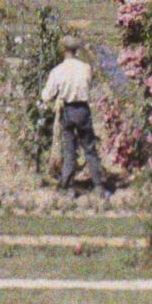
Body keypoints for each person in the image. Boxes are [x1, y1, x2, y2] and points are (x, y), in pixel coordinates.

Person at [40, 34, 112, 196]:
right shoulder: (85, 68)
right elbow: (89, 84)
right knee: (90, 149)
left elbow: (46, 95)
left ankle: (68, 186)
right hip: (83, 109)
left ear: (63, 50)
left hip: (68, 110)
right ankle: (98, 186)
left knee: (69, 150)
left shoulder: (58, 71)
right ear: (76, 50)